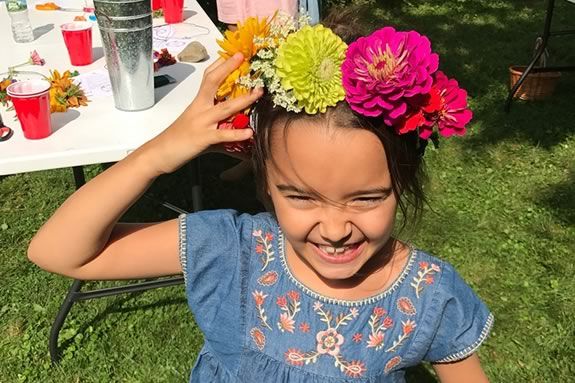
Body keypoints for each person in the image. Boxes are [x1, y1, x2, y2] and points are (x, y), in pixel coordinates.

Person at [28, 9, 493, 383]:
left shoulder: (428, 294)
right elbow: (61, 252)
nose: (334, 230)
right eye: (301, 197)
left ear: (403, 182)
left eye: (367, 199)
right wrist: (157, 154)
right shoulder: (232, 251)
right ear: (264, 181)